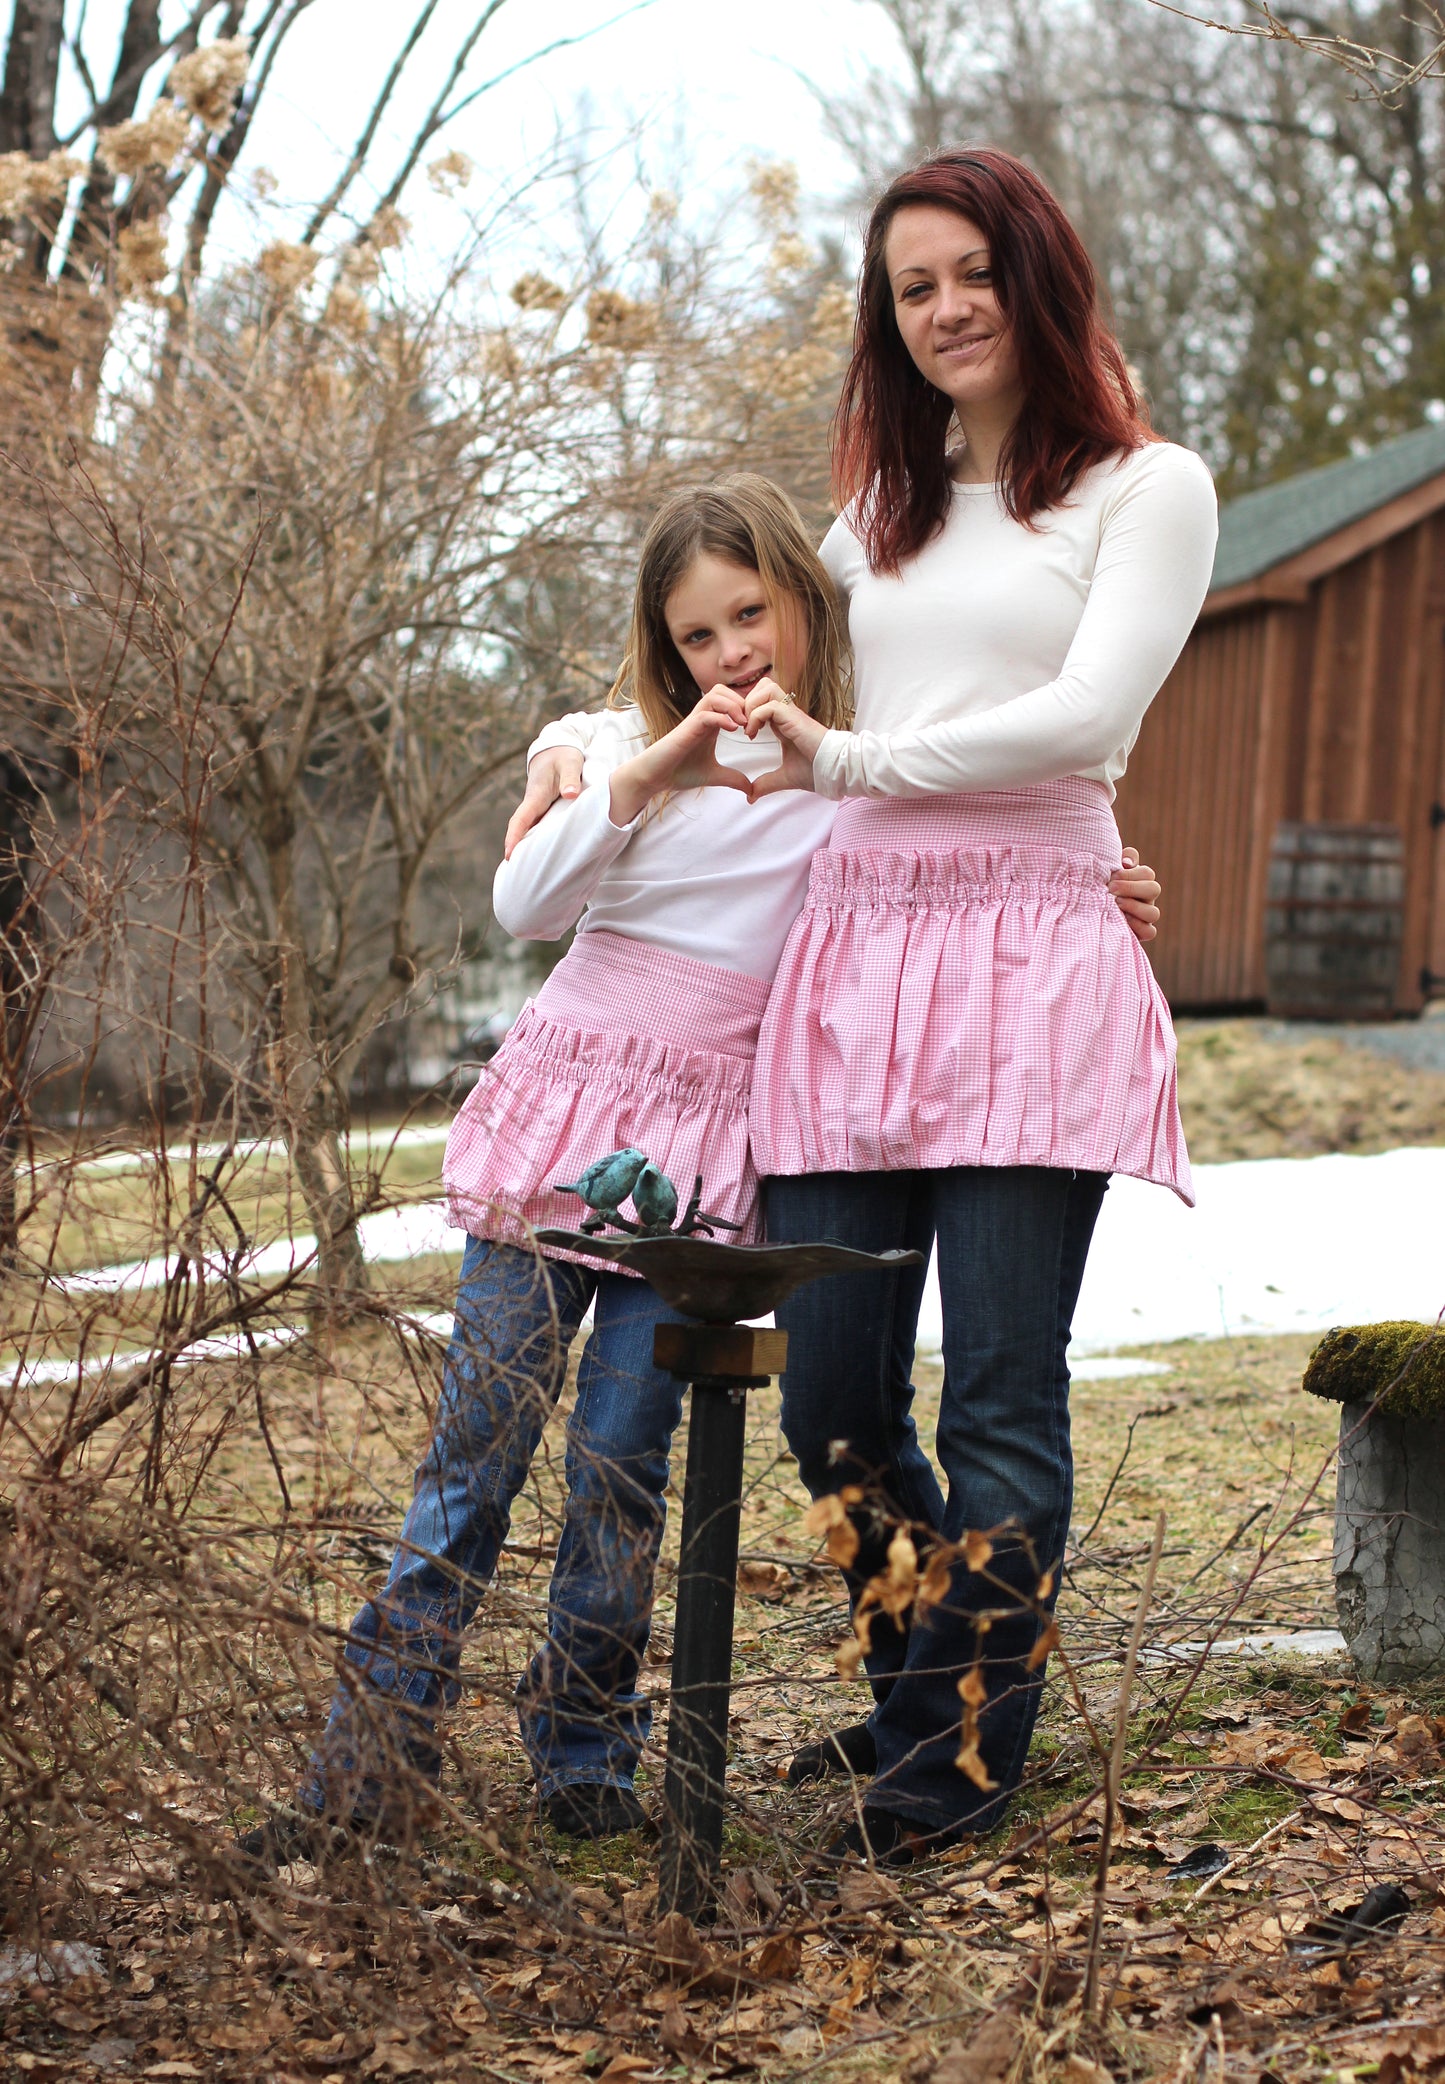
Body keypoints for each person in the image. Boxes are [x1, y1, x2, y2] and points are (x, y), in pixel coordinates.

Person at [519, 147, 1215, 1866]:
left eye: (972, 269)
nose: (945, 307)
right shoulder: (872, 521)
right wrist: (586, 742)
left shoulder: (1144, 487)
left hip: (1028, 952)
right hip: (851, 966)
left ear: (1035, 274)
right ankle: (918, 1669)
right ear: (886, 322)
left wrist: (861, 764)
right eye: (911, 287)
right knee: (829, 1390)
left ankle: (956, 1758)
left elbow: (1075, 716)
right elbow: (740, 684)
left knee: (994, 1388)